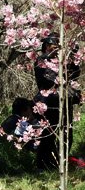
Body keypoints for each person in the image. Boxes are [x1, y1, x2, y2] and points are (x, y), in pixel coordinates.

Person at [34, 33, 81, 170]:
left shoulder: (64, 61)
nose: (55, 48)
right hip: (49, 103)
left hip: (65, 102)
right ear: (47, 46)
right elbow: (49, 79)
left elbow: (75, 75)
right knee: (48, 135)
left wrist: (73, 58)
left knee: (67, 134)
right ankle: (43, 165)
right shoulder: (41, 61)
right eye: (52, 45)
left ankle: (62, 164)